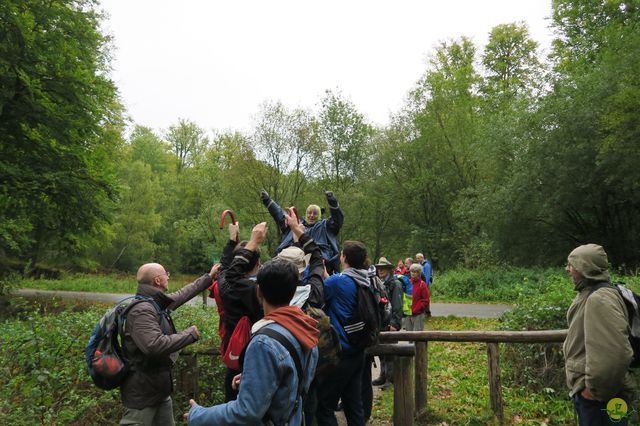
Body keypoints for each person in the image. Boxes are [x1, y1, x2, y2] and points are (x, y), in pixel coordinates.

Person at [187, 258, 320, 426]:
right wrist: (254, 377)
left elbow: (246, 412)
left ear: (258, 292)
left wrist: (198, 414)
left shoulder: (263, 343)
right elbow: (296, 380)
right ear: (293, 292)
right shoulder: (305, 328)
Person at [119, 262, 220, 426]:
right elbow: (153, 345)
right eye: (166, 274)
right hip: (141, 396)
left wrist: (209, 277)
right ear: (157, 280)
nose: (168, 276)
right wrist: (189, 335)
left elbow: (182, 294)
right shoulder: (142, 310)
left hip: (159, 391)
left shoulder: (155, 303)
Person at [563, 244, 634, 425]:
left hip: (602, 398)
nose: (568, 269)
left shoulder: (600, 298)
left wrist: (592, 392)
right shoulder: (591, 294)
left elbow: (616, 353)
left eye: (572, 265)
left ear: (584, 267)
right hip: (597, 394)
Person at [316, 240, 369, 426]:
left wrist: (319, 271)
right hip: (359, 351)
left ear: (344, 258)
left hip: (341, 354)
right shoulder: (365, 278)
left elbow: (321, 290)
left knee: (324, 408)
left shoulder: (338, 282)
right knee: (354, 406)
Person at [218, 222, 265, 402]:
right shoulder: (258, 291)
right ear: (258, 263)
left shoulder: (224, 284)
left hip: (234, 356)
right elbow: (229, 269)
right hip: (256, 358)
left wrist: (231, 241)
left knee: (232, 405)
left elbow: (225, 266)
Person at [261, 190, 344, 273]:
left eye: (315, 213)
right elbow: (280, 215)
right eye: (309, 213)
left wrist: (332, 201)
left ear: (319, 215)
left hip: (316, 261)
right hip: (289, 259)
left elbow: (337, 220)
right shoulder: (296, 223)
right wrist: (268, 201)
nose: (311, 215)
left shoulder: (325, 225)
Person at [372, 256, 403, 386]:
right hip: (381, 323)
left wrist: (394, 323)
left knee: (390, 352)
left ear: (388, 269)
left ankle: (391, 379)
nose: (380, 270)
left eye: (383, 268)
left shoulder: (395, 284)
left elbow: (397, 305)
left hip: (390, 323)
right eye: (379, 268)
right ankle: (383, 376)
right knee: (381, 352)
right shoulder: (379, 282)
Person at [402, 263, 430, 331]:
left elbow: (426, 300)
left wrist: (418, 308)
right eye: (412, 271)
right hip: (408, 313)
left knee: (417, 335)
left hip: (418, 314)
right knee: (408, 336)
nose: (413, 273)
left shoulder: (422, 284)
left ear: (419, 273)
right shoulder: (408, 283)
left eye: (415, 272)